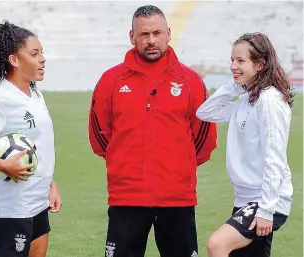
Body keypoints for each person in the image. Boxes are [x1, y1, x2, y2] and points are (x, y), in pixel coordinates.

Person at [88, 5, 217, 257]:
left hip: (177, 196)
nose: (151, 40)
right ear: (132, 36)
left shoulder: (191, 81)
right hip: (126, 196)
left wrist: (178, 166)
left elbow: (203, 138)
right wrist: (123, 162)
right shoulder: (110, 81)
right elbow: (100, 136)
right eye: (144, 34)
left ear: (168, 33)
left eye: (157, 33)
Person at [0, 21, 62, 257]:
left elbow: (37, 146)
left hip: (37, 202)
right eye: (35, 53)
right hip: (10, 209)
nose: (42, 59)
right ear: (14, 60)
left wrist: (50, 184)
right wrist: (4, 165)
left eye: (42, 52)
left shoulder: (34, 93)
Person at [196, 32, 294, 257]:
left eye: (241, 61)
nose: (233, 66)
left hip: (265, 200)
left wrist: (267, 210)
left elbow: (274, 156)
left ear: (260, 65)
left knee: (218, 244)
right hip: (245, 198)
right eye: (232, 60)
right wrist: (234, 87)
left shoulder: (269, 101)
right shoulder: (247, 99)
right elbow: (205, 112)